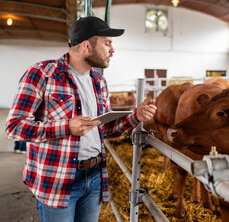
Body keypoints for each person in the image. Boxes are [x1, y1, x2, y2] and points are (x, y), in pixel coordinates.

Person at [5, 16, 157, 222]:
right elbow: (14, 127)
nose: (112, 50)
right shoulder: (42, 73)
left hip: (94, 177)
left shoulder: (98, 81)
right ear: (87, 46)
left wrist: (135, 117)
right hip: (56, 178)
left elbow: (104, 129)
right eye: (107, 43)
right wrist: (66, 127)